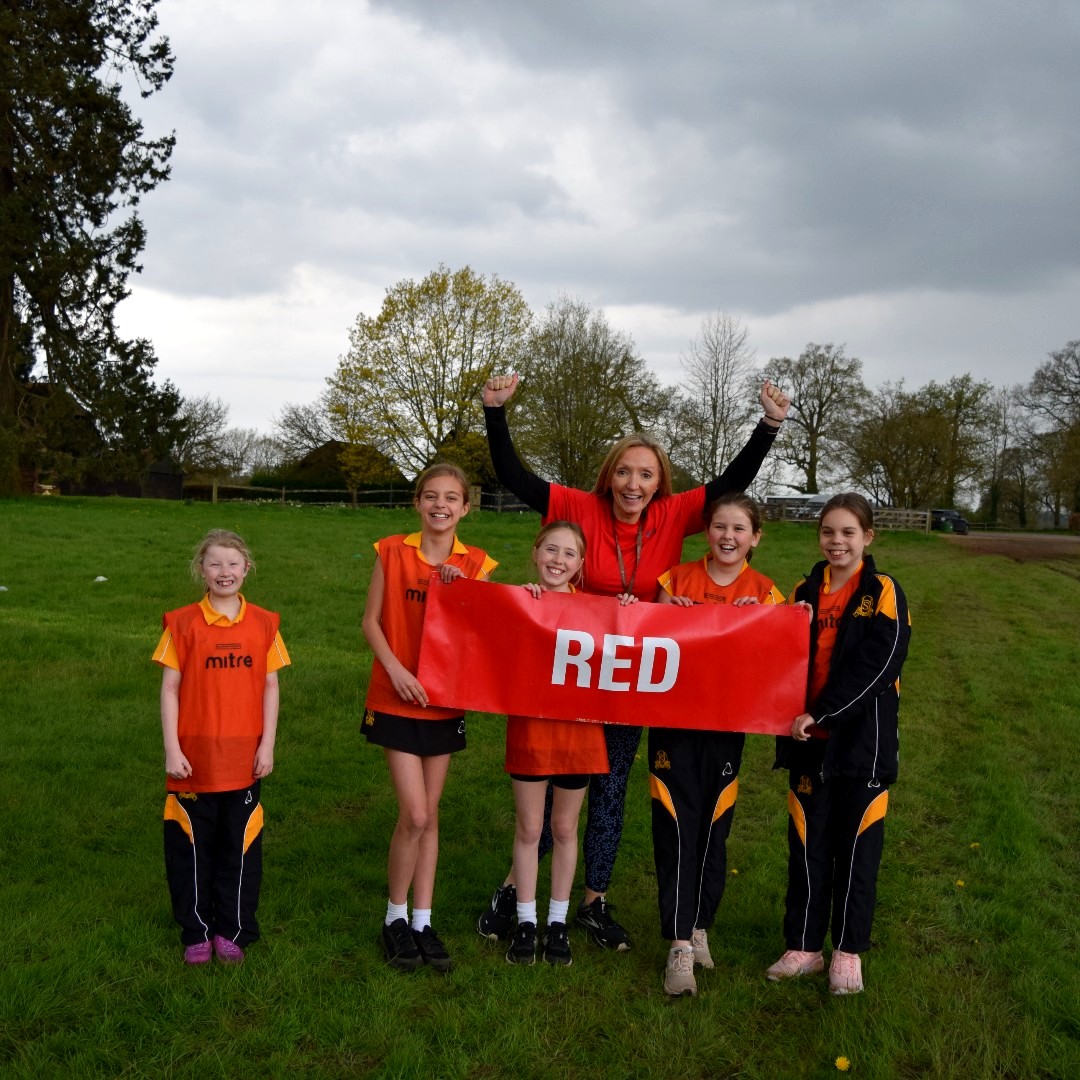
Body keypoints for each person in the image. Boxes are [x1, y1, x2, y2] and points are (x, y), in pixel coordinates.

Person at [478, 373, 790, 952]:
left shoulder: (673, 514)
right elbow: (516, 479)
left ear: (659, 482)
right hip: (569, 674)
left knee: (610, 786)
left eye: (646, 473)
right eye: (624, 471)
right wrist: (496, 413)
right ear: (608, 475)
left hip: (629, 681)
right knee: (549, 788)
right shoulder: (578, 505)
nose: (633, 483)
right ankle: (514, 894)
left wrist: (768, 426)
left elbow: (730, 484)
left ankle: (594, 900)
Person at [766, 493, 911, 995]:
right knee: (808, 844)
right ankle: (804, 946)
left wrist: (823, 711)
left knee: (857, 851)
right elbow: (774, 650)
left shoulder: (884, 591)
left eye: (848, 532)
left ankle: (848, 953)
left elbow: (879, 664)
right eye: (829, 531)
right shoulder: (804, 589)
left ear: (868, 538)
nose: (837, 541)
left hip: (862, 746)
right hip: (809, 742)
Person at [362, 463, 497, 974]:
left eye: (451, 498)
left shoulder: (478, 564)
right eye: (430, 496)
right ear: (418, 503)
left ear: (466, 507)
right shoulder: (391, 551)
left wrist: (463, 592)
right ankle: (394, 918)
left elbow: (482, 638)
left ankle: (422, 920)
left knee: (431, 815)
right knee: (415, 814)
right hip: (396, 695)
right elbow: (370, 622)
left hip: (444, 701)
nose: (440, 505)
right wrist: (395, 670)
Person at [651, 492, 786, 995]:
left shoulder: (766, 591)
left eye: (738, 529)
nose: (727, 537)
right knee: (674, 828)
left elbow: (779, 661)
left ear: (755, 537)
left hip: (728, 730)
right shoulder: (676, 580)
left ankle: (700, 923)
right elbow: (647, 648)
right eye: (718, 527)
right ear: (706, 532)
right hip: (674, 726)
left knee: (713, 828)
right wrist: (671, 617)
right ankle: (679, 945)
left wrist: (763, 622)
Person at [153, 529, 291, 965]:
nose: (224, 572)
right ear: (201, 570)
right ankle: (195, 931)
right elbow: (170, 690)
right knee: (190, 848)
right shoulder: (182, 623)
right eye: (215, 563)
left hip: (243, 760)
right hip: (193, 761)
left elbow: (271, 688)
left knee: (240, 847)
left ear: (246, 568)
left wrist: (266, 745)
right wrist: (172, 749)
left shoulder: (265, 623)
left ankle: (232, 931)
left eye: (233, 563)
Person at [502, 522, 625, 967]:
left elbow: (626, 639)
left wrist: (626, 611)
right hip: (531, 731)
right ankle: (526, 921)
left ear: (581, 565)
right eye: (550, 550)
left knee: (566, 828)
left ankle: (557, 923)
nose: (558, 560)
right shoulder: (519, 601)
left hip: (578, 734)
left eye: (569, 554)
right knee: (530, 829)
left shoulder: (595, 609)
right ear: (535, 553)